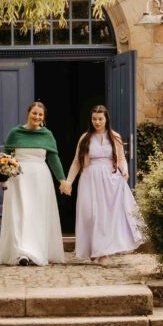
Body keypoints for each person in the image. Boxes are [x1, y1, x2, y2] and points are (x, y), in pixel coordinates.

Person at [64, 104, 143, 264]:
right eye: (94, 119)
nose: (97, 122)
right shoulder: (85, 138)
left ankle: (103, 253)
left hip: (110, 179)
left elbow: (120, 158)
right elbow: (76, 162)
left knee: (106, 216)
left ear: (106, 119)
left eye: (100, 119)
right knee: (90, 214)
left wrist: (125, 170)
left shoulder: (115, 137)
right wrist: (69, 181)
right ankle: (93, 249)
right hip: (89, 178)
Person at [0, 101, 70, 266]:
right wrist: (1, 176)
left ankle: (36, 249)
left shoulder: (47, 135)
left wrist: (62, 179)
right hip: (18, 179)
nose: (37, 117)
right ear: (28, 113)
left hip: (40, 179)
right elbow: (4, 156)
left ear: (43, 117)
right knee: (21, 214)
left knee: (37, 215)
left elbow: (53, 158)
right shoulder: (15, 133)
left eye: (40, 114)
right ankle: (21, 252)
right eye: (34, 113)